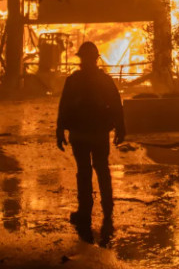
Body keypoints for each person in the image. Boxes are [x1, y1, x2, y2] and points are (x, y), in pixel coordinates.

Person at [56, 41, 125, 243]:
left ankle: (84, 212)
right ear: (96, 59)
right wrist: (121, 128)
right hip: (97, 133)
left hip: (80, 134)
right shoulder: (104, 80)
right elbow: (116, 105)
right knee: (102, 169)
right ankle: (107, 209)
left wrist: (60, 130)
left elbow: (64, 106)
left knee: (84, 172)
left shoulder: (73, 80)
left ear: (81, 59)